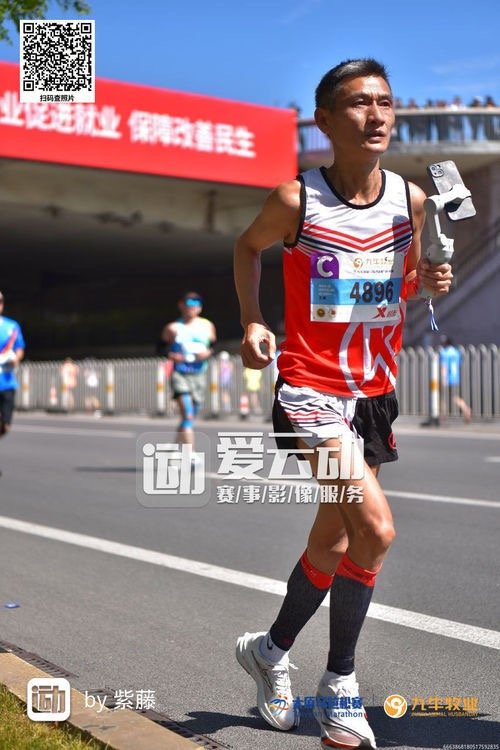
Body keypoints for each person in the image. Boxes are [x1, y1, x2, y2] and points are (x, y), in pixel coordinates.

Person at [233, 58, 452, 749]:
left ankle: (269, 650)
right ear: (326, 120)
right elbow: (247, 248)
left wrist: (426, 279)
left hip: (373, 397)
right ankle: (340, 686)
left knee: (334, 541)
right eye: (359, 103)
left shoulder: (411, 201)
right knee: (377, 532)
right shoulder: (296, 200)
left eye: (385, 101)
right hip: (310, 393)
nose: (376, 114)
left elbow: (397, 284)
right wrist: (253, 321)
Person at [161, 292, 216, 449]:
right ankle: (190, 453)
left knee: (190, 416)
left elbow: (214, 346)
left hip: (199, 374)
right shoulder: (173, 327)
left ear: (200, 307)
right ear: (181, 305)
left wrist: (207, 353)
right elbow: (160, 348)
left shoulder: (207, 326)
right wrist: (172, 356)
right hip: (180, 374)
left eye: (196, 304)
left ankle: (174, 447)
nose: (192, 308)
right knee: (188, 413)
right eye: (189, 304)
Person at [0, 291, 26, 475]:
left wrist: (15, 359)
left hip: (7, 383)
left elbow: (20, 349)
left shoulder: (12, 326)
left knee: (6, 426)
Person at [439, 336, 471, 423]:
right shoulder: (456, 352)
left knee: (443, 397)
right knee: (453, 396)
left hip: (447, 378)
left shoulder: (444, 353)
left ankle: (443, 416)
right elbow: (458, 364)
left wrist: (443, 378)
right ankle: (465, 409)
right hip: (455, 378)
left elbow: (444, 366)